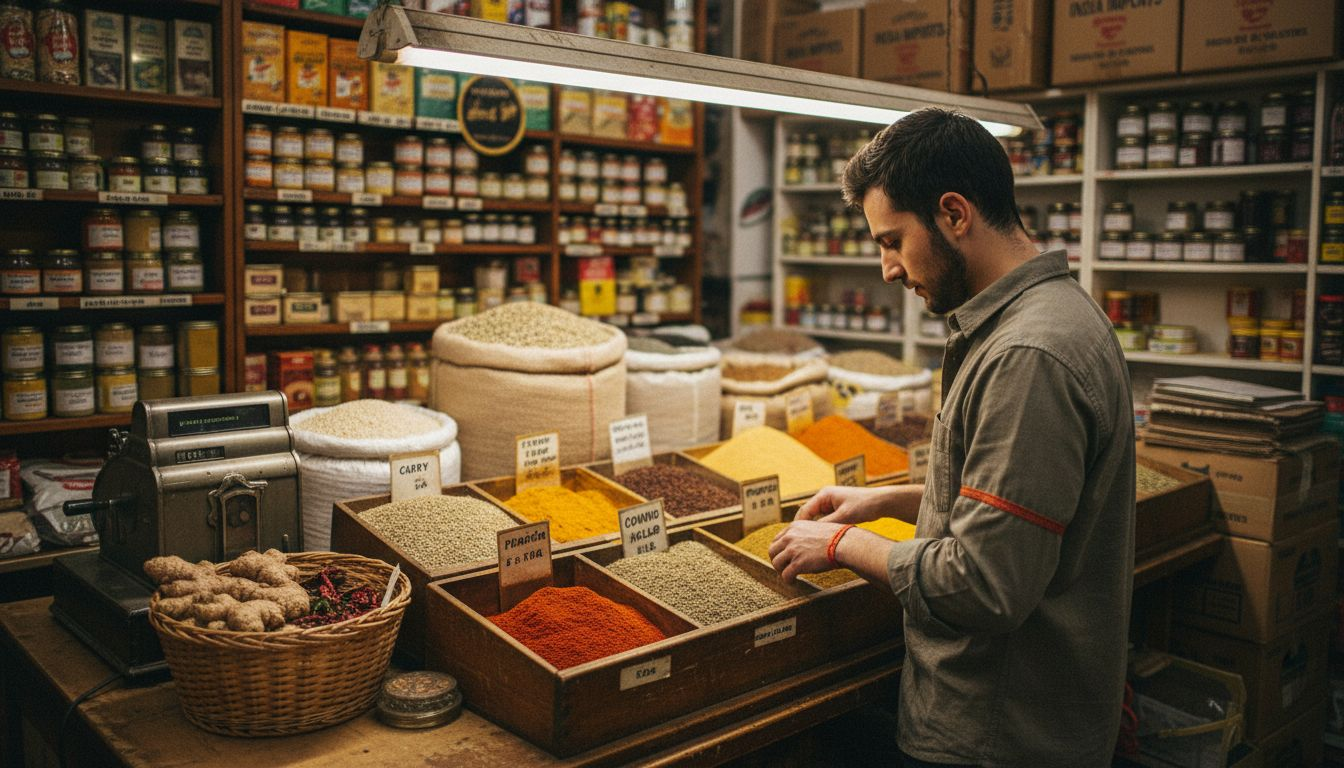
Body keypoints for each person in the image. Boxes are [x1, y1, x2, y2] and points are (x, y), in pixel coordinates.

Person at [767, 108, 1135, 767]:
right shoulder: (1049, 314)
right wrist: (886, 503)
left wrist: (846, 544)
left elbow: (985, 583)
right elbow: (1017, 506)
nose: (887, 268)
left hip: (998, 730)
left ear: (954, 214)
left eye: (892, 240)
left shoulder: (1030, 355)